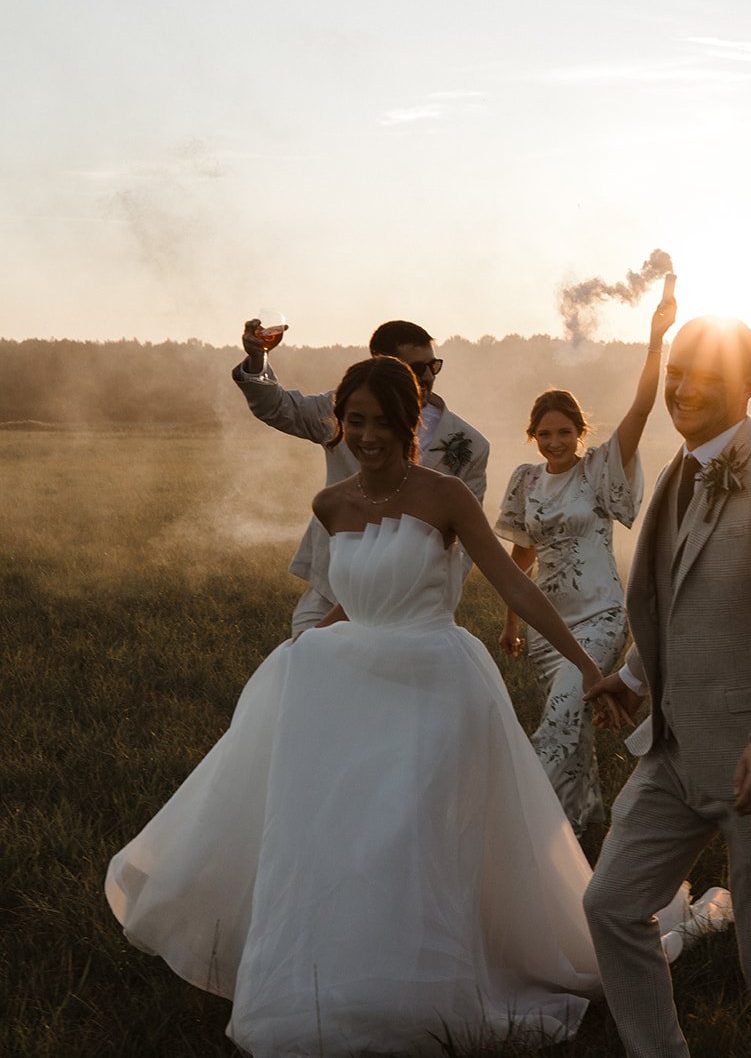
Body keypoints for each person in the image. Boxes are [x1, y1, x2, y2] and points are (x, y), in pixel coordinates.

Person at [106, 357, 713, 1055]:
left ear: (408, 420)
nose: (366, 435)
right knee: (341, 839)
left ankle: (428, 990)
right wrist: (306, 644)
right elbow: (353, 595)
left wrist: (586, 667)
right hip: (345, 687)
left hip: (435, 685)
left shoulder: (445, 495)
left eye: (380, 420)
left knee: (409, 832)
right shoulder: (330, 507)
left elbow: (514, 586)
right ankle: (333, 981)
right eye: (353, 420)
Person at [582, 315, 751, 1057]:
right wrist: (632, 675)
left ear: (749, 387)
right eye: (677, 375)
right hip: (674, 750)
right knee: (610, 904)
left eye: (709, 377)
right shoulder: (678, 468)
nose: (686, 389)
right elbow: (676, 600)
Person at [496, 294, 676, 834]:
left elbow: (642, 408)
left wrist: (655, 341)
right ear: (534, 436)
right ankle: (585, 822)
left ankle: (518, 826)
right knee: (574, 727)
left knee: (558, 723)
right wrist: (511, 622)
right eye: (544, 434)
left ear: (581, 432)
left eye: (564, 432)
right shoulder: (525, 481)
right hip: (547, 625)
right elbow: (522, 552)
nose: (554, 442)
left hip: (599, 615)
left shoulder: (599, 470)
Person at [233, 318, 490, 636]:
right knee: (303, 665)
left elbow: (465, 544)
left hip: (409, 603)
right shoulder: (339, 411)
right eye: (416, 367)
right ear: (381, 365)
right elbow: (276, 407)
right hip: (332, 588)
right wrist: (258, 360)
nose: (426, 377)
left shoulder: (470, 444)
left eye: (432, 366)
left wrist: (429, 597)